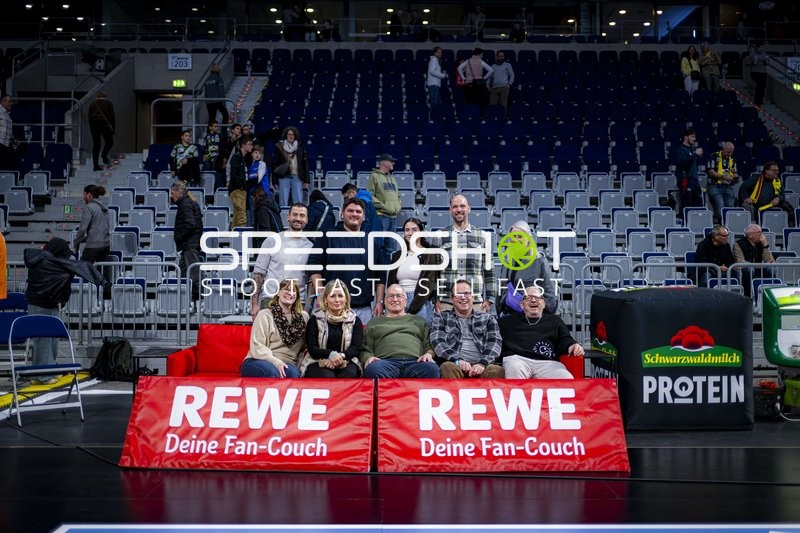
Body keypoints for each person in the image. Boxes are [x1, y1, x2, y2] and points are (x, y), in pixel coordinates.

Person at [24, 238, 108, 377]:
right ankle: (43, 375)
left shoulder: (37, 259)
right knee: (45, 341)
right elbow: (79, 266)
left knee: (46, 340)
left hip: (38, 304)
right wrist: (102, 281)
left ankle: (45, 370)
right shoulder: (49, 262)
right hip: (44, 305)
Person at [308, 198, 382, 324]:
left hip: (363, 309)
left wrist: (379, 302)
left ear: (363, 217)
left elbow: (380, 275)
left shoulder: (371, 240)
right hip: (332, 307)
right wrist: (319, 294)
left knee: (361, 344)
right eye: (350, 211)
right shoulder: (328, 236)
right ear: (342, 214)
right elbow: (314, 265)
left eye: (358, 212)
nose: (354, 214)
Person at [498, 285, 584, 379]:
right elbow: (495, 341)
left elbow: (565, 339)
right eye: (528, 298)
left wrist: (573, 345)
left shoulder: (555, 321)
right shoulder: (506, 322)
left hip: (546, 362)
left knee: (566, 378)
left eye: (538, 298)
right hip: (518, 360)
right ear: (522, 305)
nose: (533, 300)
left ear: (543, 304)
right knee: (514, 368)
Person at [360, 283, 440, 379]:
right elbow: (365, 349)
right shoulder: (374, 322)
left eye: (399, 296)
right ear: (385, 301)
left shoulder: (419, 321)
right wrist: (368, 358)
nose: (395, 299)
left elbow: (429, 345)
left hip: (415, 362)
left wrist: (428, 354)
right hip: (385, 364)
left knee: (432, 369)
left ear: (406, 301)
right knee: (373, 369)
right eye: (390, 296)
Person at [435, 194, 496, 314]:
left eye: (462, 206)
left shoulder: (482, 236)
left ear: (469, 209)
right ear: (450, 210)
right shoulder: (439, 236)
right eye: (455, 206)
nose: (459, 210)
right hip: (446, 302)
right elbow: (434, 272)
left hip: (475, 303)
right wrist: (435, 299)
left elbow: (489, 272)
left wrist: (489, 299)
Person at [431, 280, 504, 379]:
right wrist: (458, 360)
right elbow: (438, 342)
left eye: (466, 293)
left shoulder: (488, 318)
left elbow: (495, 343)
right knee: (447, 367)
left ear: (472, 297)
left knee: (496, 370)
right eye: (458, 294)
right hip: (455, 364)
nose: (463, 297)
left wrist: (482, 363)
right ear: (451, 299)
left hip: (483, 365)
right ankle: (454, 394)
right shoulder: (441, 318)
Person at [251, 203, 313, 319]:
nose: (298, 218)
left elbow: (310, 281)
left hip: (298, 301)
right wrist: (254, 304)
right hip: (271, 299)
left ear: (306, 220)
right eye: (295, 215)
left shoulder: (310, 247)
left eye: (302, 215)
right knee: (269, 337)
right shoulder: (272, 241)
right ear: (288, 217)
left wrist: (307, 308)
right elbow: (259, 273)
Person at [241, 278, 308, 378]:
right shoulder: (264, 314)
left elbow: (305, 348)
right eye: (286, 289)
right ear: (278, 293)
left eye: (293, 291)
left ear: (297, 296)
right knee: (273, 373)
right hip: (259, 359)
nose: (290, 293)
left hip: (288, 362)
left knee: (293, 375)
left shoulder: (304, 317)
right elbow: (257, 346)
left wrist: (299, 365)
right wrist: (276, 363)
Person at [377, 217, 439, 323]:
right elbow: (391, 283)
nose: (410, 233)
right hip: (398, 301)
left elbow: (429, 283)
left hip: (420, 303)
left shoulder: (430, 253)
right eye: (407, 230)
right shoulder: (397, 256)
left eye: (414, 230)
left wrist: (411, 309)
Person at [304, 280, 363, 379]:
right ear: (325, 299)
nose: (337, 300)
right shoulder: (315, 319)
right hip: (317, 360)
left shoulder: (354, 320)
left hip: (346, 360)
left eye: (340, 296)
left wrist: (340, 356)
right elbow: (312, 349)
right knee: (327, 376)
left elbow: (356, 348)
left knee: (349, 374)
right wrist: (331, 355)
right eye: (332, 296)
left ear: (346, 299)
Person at [498, 220, 557, 316]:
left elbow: (549, 291)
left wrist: (547, 315)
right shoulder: (507, 261)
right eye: (513, 237)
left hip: (533, 314)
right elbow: (502, 289)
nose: (516, 240)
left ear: (528, 239)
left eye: (520, 237)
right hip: (511, 314)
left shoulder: (540, 261)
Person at [73, 184, 110, 294]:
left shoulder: (89, 207)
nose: (83, 197)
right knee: (102, 274)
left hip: (93, 246)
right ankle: (104, 298)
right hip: (106, 245)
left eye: (84, 194)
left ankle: (83, 299)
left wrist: (76, 244)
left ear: (89, 195)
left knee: (82, 271)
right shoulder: (104, 207)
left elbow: (82, 229)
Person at [367, 154, 402, 265]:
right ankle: (378, 272)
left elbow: (398, 195)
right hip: (381, 216)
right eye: (391, 161)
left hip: (393, 217)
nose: (393, 163)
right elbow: (369, 195)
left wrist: (398, 206)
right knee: (379, 246)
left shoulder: (392, 178)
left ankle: (387, 273)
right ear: (383, 162)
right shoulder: (374, 176)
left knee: (390, 248)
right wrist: (383, 206)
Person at [171, 181, 203, 297]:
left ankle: (200, 299)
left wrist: (179, 236)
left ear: (179, 192)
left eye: (173, 192)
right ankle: (185, 298)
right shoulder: (188, 203)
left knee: (194, 273)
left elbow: (190, 224)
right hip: (189, 245)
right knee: (183, 272)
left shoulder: (185, 204)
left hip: (190, 245)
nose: (171, 195)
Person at [739, 161, 795, 225]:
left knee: (788, 207)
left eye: (777, 170)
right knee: (746, 205)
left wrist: (778, 198)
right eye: (774, 170)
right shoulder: (755, 179)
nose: (777, 172)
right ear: (767, 171)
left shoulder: (778, 181)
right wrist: (746, 198)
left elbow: (782, 194)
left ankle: (791, 226)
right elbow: (743, 188)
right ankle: (753, 226)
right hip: (755, 204)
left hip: (770, 204)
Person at [733, 223, 776, 297]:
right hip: (744, 270)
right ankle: (749, 295)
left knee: (771, 269)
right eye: (759, 232)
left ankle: (769, 294)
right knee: (750, 269)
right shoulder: (738, 244)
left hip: (758, 268)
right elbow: (741, 261)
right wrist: (761, 266)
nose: (762, 235)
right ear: (750, 235)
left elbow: (770, 261)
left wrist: (765, 245)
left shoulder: (761, 243)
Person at [272, 126, 309, 209]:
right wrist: (274, 181)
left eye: (292, 134)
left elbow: (305, 163)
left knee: (298, 202)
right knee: (283, 202)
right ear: (286, 135)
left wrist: (307, 180)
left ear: (295, 136)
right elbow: (275, 164)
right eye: (289, 134)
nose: (291, 136)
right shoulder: (280, 147)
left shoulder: (300, 147)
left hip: (297, 176)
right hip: (284, 176)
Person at [706, 142, 741, 224]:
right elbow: (711, 172)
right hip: (715, 186)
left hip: (728, 186)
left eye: (731, 152)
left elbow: (734, 171)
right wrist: (723, 177)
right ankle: (722, 225)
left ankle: (729, 225)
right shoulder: (713, 156)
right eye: (728, 152)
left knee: (730, 207)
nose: (729, 154)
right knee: (720, 205)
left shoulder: (732, 158)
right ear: (723, 149)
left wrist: (735, 177)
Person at [674, 128, 704, 214]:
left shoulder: (691, 150)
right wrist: (695, 154)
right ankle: (686, 224)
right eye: (692, 136)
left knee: (698, 204)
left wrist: (696, 156)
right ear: (685, 137)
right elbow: (683, 164)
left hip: (694, 180)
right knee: (687, 204)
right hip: (686, 180)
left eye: (694, 137)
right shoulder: (681, 150)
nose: (694, 139)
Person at [227, 135, 253, 229]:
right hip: (237, 190)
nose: (251, 146)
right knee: (242, 215)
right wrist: (241, 186)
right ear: (243, 145)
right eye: (249, 144)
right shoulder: (236, 157)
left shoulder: (245, 158)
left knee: (237, 215)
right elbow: (234, 175)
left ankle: (233, 238)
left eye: (252, 144)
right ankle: (241, 239)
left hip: (242, 190)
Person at [87, 92, 115, 171]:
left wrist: (91, 129)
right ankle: (104, 155)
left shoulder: (92, 104)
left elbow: (89, 117)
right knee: (109, 141)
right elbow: (112, 116)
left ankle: (95, 165)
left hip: (94, 125)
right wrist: (113, 128)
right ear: (104, 97)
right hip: (105, 124)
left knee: (96, 145)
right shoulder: (108, 103)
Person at [246, 143, 269, 226]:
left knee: (262, 215)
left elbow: (258, 179)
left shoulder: (262, 164)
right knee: (253, 216)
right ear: (252, 154)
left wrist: (251, 178)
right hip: (252, 194)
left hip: (262, 193)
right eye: (255, 152)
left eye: (259, 153)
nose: (257, 155)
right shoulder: (249, 166)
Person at [487, 50, 515, 115]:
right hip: (494, 87)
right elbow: (489, 77)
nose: (501, 57)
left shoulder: (507, 65)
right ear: (496, 56)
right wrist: (488, 84)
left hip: (504, 87)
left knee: (503, 104)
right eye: (500, 56)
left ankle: (503, 117)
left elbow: (512, 75)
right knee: (492, 104)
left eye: (502, 56)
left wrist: (509, 84)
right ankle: (493, 118)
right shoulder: (493, 66)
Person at [0, 94, 17, 171]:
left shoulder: (8, 116)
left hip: (5, 145)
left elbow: (8, 130)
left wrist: (13, 139)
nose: (11, 103)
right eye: (9, 101)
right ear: (3, 101)